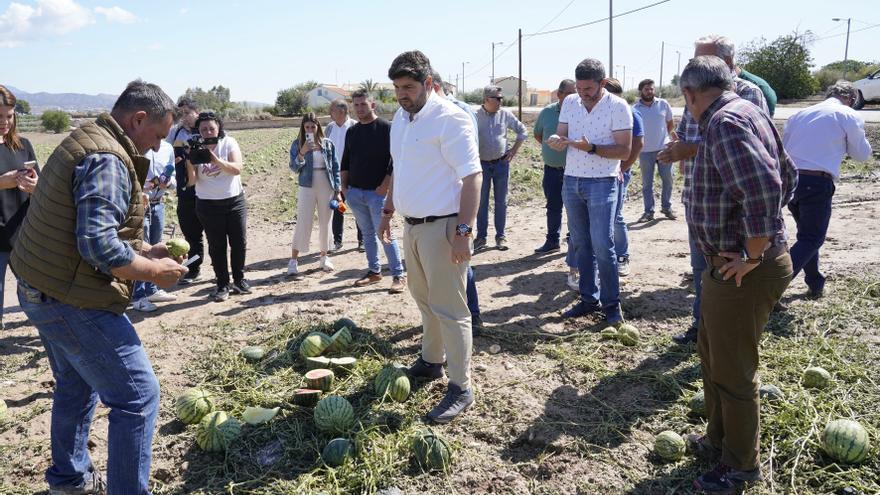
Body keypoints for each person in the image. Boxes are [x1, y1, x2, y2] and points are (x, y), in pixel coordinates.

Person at [10, 80, 189, 494]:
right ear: (138, 119)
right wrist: (152, 271)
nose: (158, 147)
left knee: (76, 382)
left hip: (40, 285)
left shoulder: (91, 138)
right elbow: (98, 245)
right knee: (138, 397)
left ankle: (69, 480)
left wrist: (147, 247)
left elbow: (89, 223)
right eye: (159, 136)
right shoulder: (108, 157)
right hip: (68, 297)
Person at [678, 56, 796, 493]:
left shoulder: (725, 123)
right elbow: (788, 175)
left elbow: (766, 187)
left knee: (733, 370)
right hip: (727, 266)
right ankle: (719, 440)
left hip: (743, 270)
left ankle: (740, 466)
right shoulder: (749, 111)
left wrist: (752, 252)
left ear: (690, 94)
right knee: (712, 354)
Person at [379, 51, 481, 423]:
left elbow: (472, 177)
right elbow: (399, 169)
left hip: (445, 226)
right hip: (413, 225)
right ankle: (432, 360)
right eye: (396, 88)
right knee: (424, 300)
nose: (402, 94)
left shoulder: (449, 118)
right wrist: (388, 210)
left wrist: (464, 232)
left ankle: (461, 386)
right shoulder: (400, 122)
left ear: (429, 83)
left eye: (408, 87)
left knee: (452, 309)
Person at [658, 33, 770, 345]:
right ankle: (702, 328)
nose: (696, 64)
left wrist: (688, 150)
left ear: (728, 62)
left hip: (729, 210)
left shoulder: (747, 94)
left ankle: (728, 338)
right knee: (701, 272)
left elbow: (748, 151)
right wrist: (676, 149)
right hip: (700, 200)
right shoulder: (694, 91)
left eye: (702, 57)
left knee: (731, 276)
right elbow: (684, 134)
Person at [548, 58, 632, 324]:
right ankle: (588, 298)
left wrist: (592, 147)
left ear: (603, 83)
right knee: (581, 243)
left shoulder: (618, 107)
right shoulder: (571, 103)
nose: (583, 94)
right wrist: (558, 141)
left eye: (588, 90)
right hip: (572, 181)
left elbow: (624, 150)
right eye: (579, 89)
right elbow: (562, 133)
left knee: (602, 244)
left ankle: (611, 305)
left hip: (602, 182)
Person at [783, 80, 872, 299]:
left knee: (807, 235)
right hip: (816, 182)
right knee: (812, 238)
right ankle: (773, 285)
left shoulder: (800, 114)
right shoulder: (847, 114)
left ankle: (815, 283)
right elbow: (861, 155)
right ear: (851, 99)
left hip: (789, 179)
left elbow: (783, 146)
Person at [431, 71, 484, 334]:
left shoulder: (457, 114)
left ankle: (471, 317)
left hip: (456, 202)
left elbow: (470, 168)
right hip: (438, 204)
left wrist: (465, 227)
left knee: (461, 261)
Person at [341, 90, 406, 293]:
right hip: (356, 193)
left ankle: (398, 275)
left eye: (363, 104)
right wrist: (345, 188)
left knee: (385, 233)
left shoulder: (387, 129)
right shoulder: (352, 131)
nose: (359, 108)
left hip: (377, 194)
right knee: (367, 234)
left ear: (373, 105)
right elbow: (345, 161)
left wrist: (386, 185)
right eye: (356, 105)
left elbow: (395, 160)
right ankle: (374, 271)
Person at [185, 111, 251, 302]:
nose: (207, 131)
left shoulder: (228, 143)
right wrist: (191, 161)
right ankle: (222, 283)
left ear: (218, 128)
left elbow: (236, 168)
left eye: (211, 128)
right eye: (203, 129)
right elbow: (192, 182)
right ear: (199, 130)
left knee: (239, 242)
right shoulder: (196, 148)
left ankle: (239, 279)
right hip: (207, 204)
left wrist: (213, 158)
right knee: (217, 245)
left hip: (234, 201)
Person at [533, 79, 581, 289]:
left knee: (575, 209)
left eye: (576, 92)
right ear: (559, 95)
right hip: (552, 169)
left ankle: (573, 243)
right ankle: (552, 240)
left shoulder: (580, 111)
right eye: (569, 93)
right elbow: (538, 134)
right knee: (553, 206)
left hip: (574, 171)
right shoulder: (547, 112)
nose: (574, 97)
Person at [0, 85, 39, 330]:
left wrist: (35, 186)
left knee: (35, 296)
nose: (5, 122)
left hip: (23, 235)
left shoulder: (22, 145)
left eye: (9, 115)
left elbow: (41, 186)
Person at [287, 113, 343, 276]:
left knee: (326, 222)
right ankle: (293, 260)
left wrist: (337, 191)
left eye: (313, 126)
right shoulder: (298, 144)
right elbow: (294, 168)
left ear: (318, 126)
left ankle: (324, 257)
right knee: (303, 221)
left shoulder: (327, 144)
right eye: (307, 127)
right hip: (306, 185)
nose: (310, 129)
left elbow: (335, 167)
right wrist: (302, 153)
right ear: (303, 128)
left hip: (326, 185)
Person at [473, 85, 526, 252]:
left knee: (501, 202)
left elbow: (522, 131)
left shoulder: (505, 115)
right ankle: (481, 237)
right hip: (481, 165)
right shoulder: (474, 116)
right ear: (487, 99)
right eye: (498, 98)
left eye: (501, 98)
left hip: (501, 164)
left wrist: (513, 151)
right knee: (481, 202)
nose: (501, 101)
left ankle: (500, 236)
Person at [604, 79, 644, 277]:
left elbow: (638, 144)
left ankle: (622, 256)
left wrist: (623, 167)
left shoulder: (630, 113)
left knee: (616, 215)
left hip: (619, 174)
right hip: (602, 173)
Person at [131, 139, 177, 312]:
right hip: (140, 204)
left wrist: (168, 183)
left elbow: (172, 177)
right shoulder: (138, 146)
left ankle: (152, 290)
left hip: (159, 203)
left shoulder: (167, 148)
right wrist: (143, 189)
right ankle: (138, 296)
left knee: (156, 248)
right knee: (141, 250)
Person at [168, 98, 204, 285]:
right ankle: (195, 269)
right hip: (186, 191)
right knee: (191, 233)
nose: (184, 118)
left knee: (216, 234)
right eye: (180, 114)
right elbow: (164, 153)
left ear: (196, 112)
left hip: (208, 190)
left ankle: (222, 270)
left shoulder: (208, 130)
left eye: (186, 113)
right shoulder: (175, 133)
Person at [633, 79, 675, 222]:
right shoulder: (635, 108)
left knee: (668, 179)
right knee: (647, 184)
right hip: (645, 152)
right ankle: (648, 211)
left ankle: (666, 207)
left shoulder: (663, 104)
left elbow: (670, 124)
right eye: (646, 89)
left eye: (651, 89)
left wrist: (665, 139)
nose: (649, 91)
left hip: (664, 149)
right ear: (641, 91)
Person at [325, 99, 363, 252]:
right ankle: (337, 241)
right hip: (335, 176)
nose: (329, 113)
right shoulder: (329, 128)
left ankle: (362, 241)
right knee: (337, 208)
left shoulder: (355, 126)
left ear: (341, 111)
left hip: (353, 175)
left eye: (332, 110)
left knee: (358, 209)